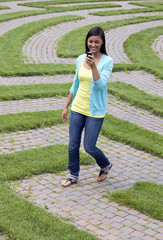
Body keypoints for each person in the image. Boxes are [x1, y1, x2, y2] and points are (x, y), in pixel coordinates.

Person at [61, 26, 113, 187]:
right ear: (87, 42)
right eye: (90, 41)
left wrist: (94, 67)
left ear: (102, 42)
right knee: (73, 146)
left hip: (94, 112)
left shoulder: (107, 61)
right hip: (77, 108)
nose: (93, 45)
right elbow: (75, 84)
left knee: (89, 147)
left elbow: (100, 85)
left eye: (97, 42)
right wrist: (66, 106)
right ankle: (73, 175)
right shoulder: (80, 58)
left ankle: (105, 165)